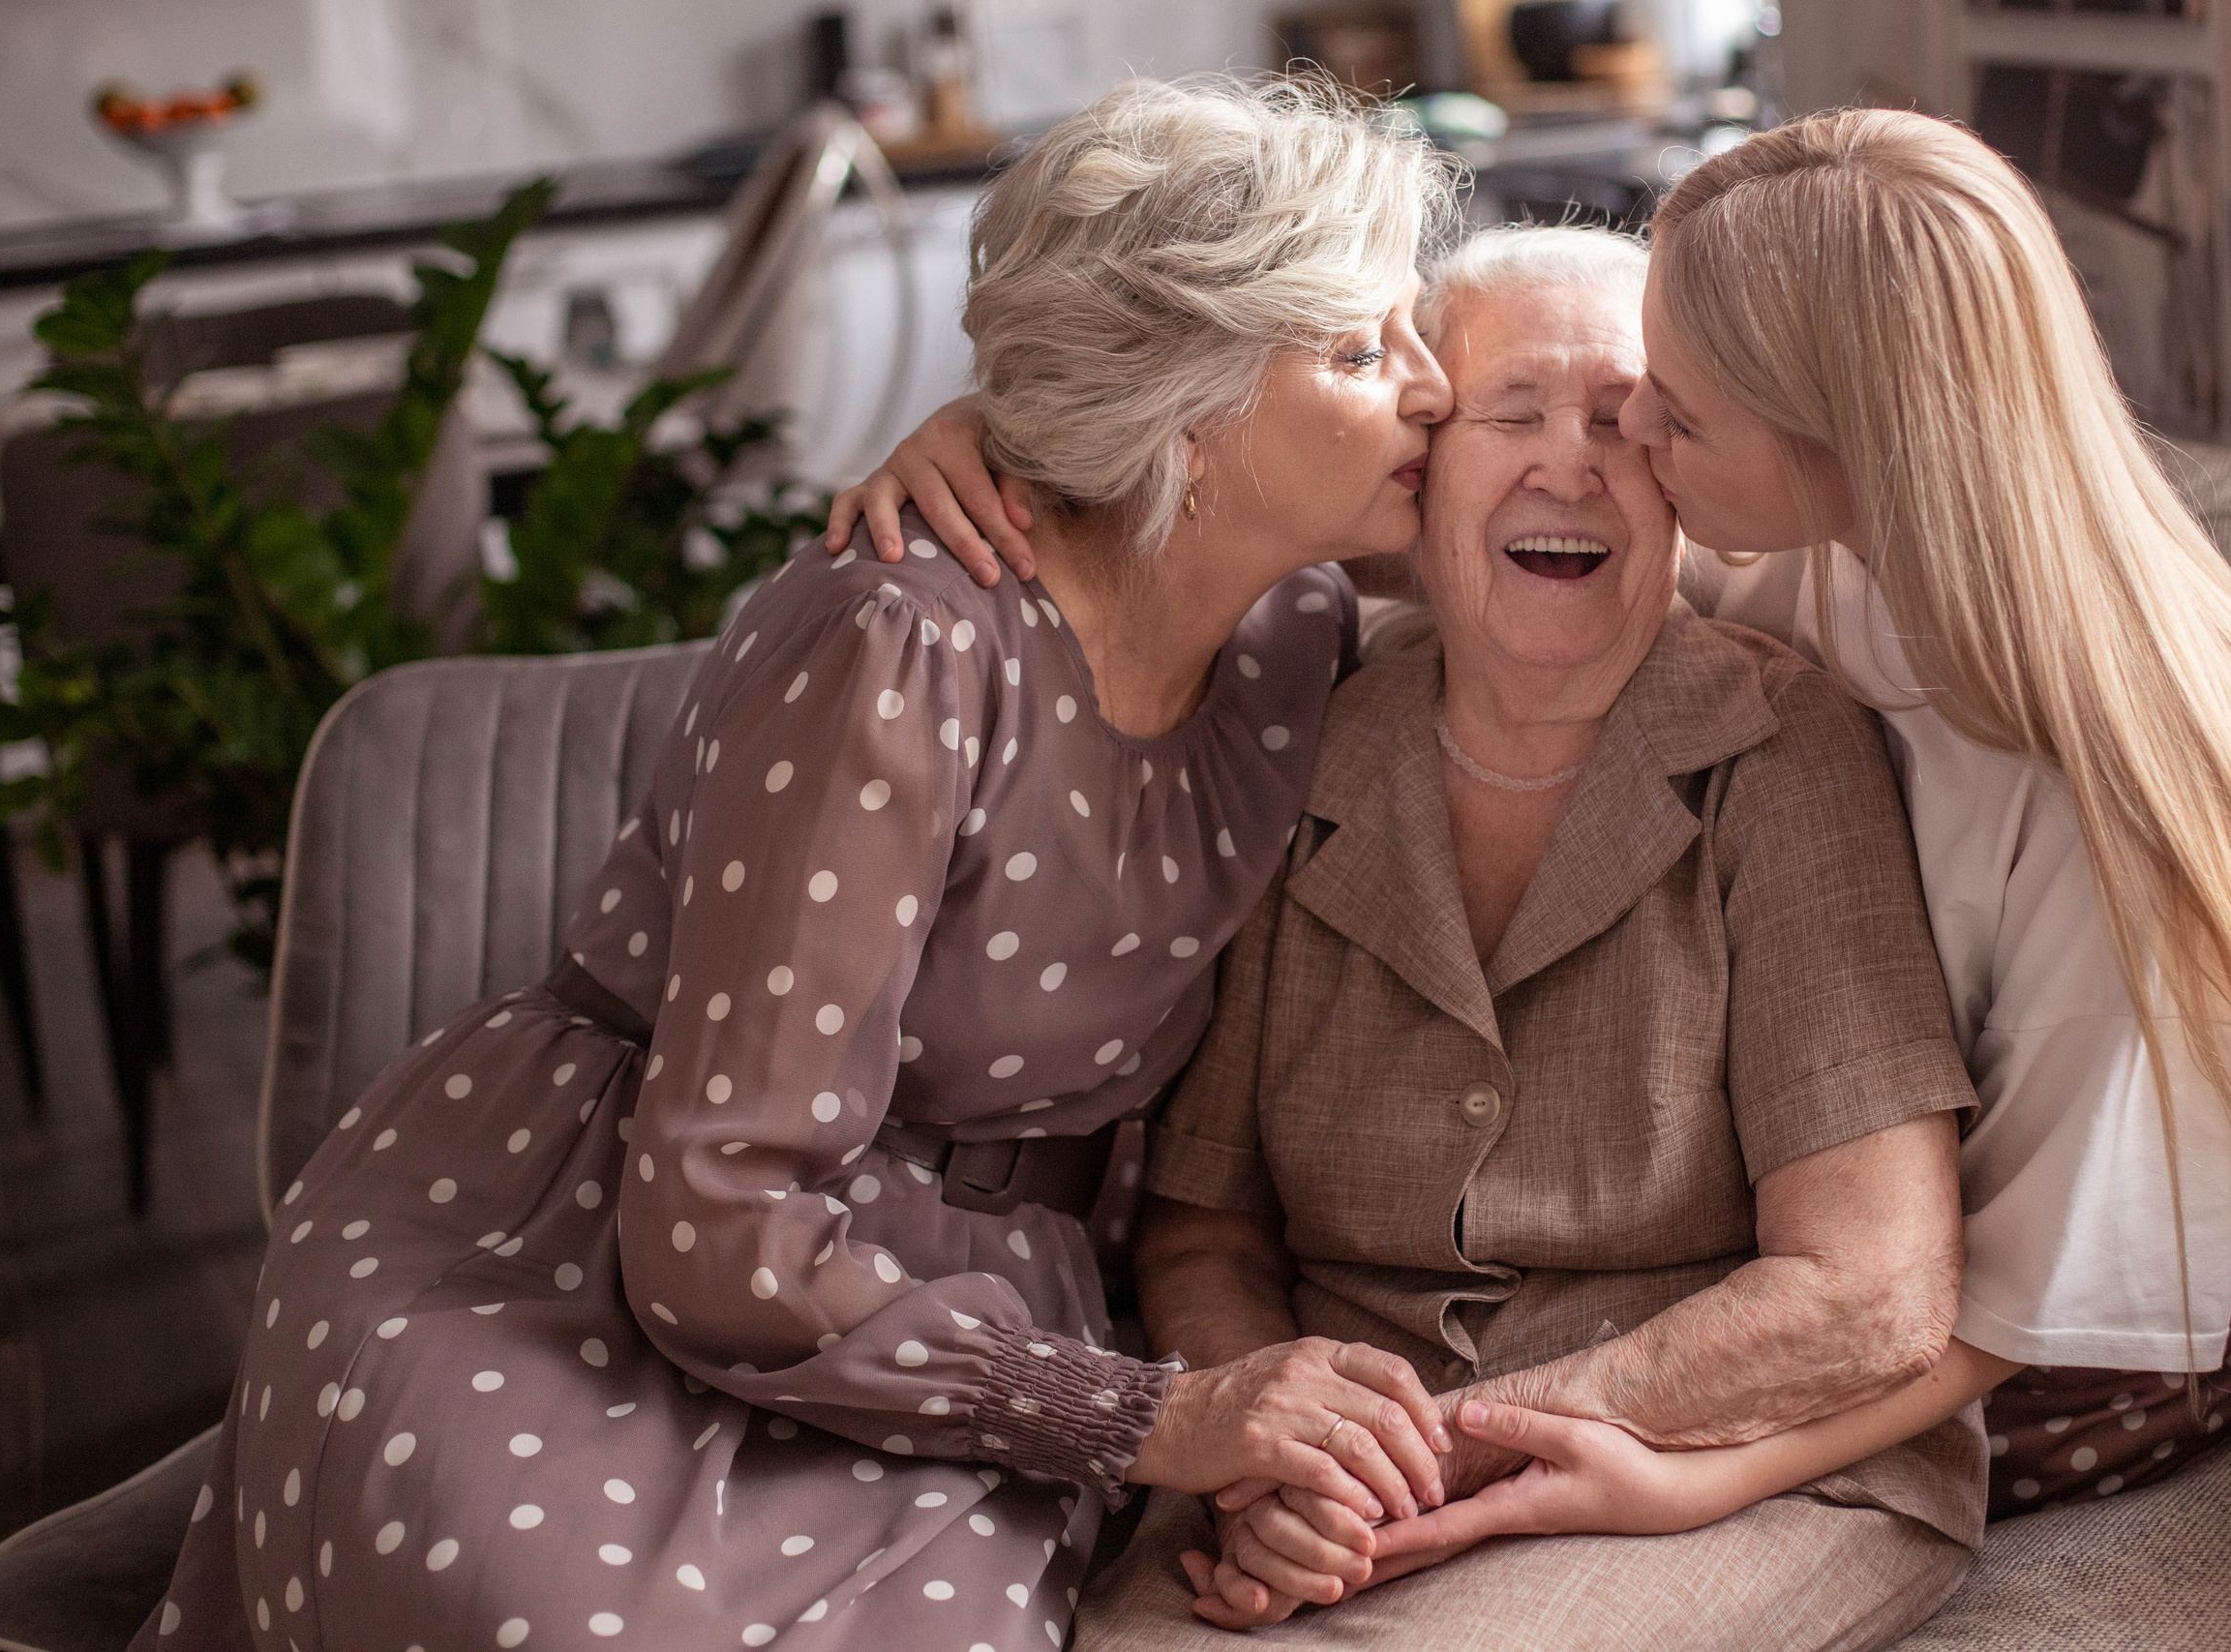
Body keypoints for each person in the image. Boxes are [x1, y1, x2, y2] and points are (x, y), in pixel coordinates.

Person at [839, 105, 2231, 1633]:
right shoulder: (1791, 543)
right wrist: (1034, 457)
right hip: (1698, 1341)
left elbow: (1957, 1313)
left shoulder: (2138, 788)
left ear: (1835, 426)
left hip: (2059, 1355)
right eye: (1560, 416)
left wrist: (1651, 1477)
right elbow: (1349, 488)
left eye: (1665, 415)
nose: (1614, 450)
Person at [134, 75, 1474, 1652]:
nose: (1437, 389)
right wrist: (1148, 1420)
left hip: (955, 1315)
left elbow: (1603, 494)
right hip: (588, 1268)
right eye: (1358, 348)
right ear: (1183, 404)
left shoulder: (1300, 631)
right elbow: (715, 1209)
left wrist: (1002, 416)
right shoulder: (898, 646)